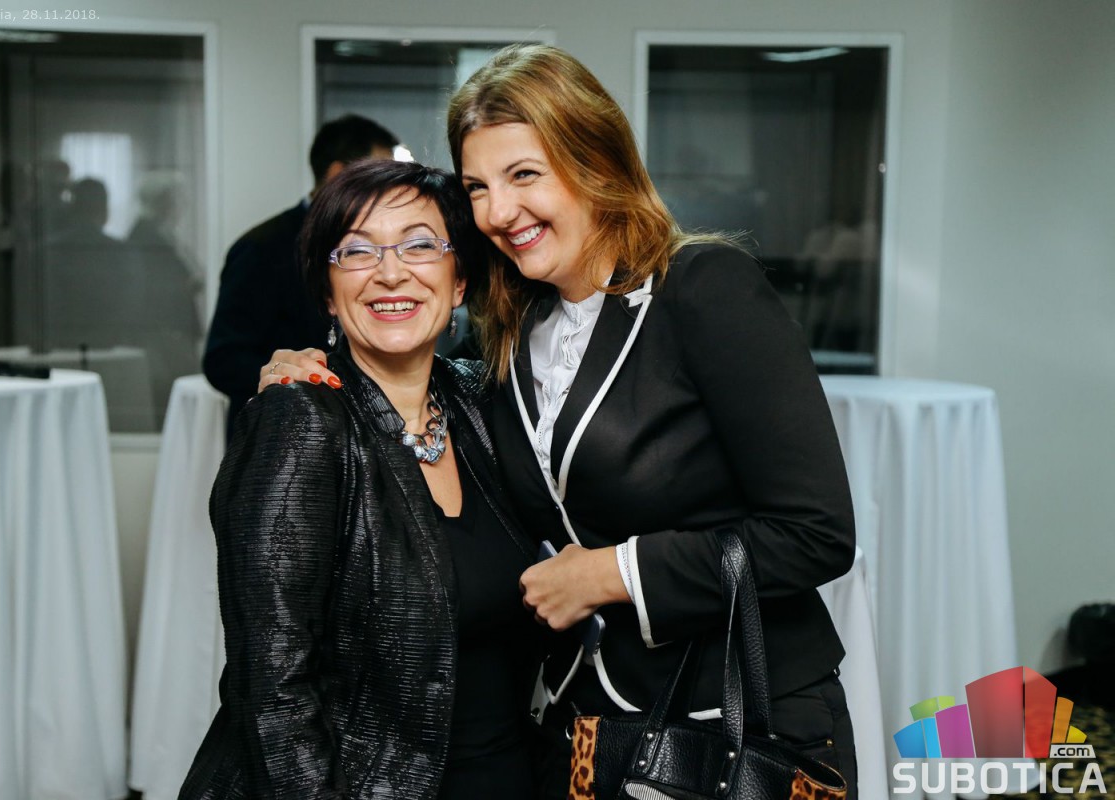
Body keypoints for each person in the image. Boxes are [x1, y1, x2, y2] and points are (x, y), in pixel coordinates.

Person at [257, 44, 859, 799]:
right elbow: (408, 386)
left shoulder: (703, 290)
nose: (497, 213)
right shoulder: (510, 332)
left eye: (524, 175)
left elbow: (816, 532)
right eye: (477, 187)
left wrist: (609, 575)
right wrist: (316, 373)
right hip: (587, 729)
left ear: (594, 162)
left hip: (732, 723)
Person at [180, 159, 539, 799]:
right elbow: (273, 690)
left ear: (460, 280)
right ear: (327, 291)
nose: (391, 272)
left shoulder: (483, 402)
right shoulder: (300, 423)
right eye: (357, 251)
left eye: (420, 245)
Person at [202, 114, 400, 441]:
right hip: (278, 435)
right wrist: (296, 378)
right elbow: (223, 360)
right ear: (337, 174)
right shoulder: (263, 248)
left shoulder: (373, 247)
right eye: (375, 178)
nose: (385, 191)